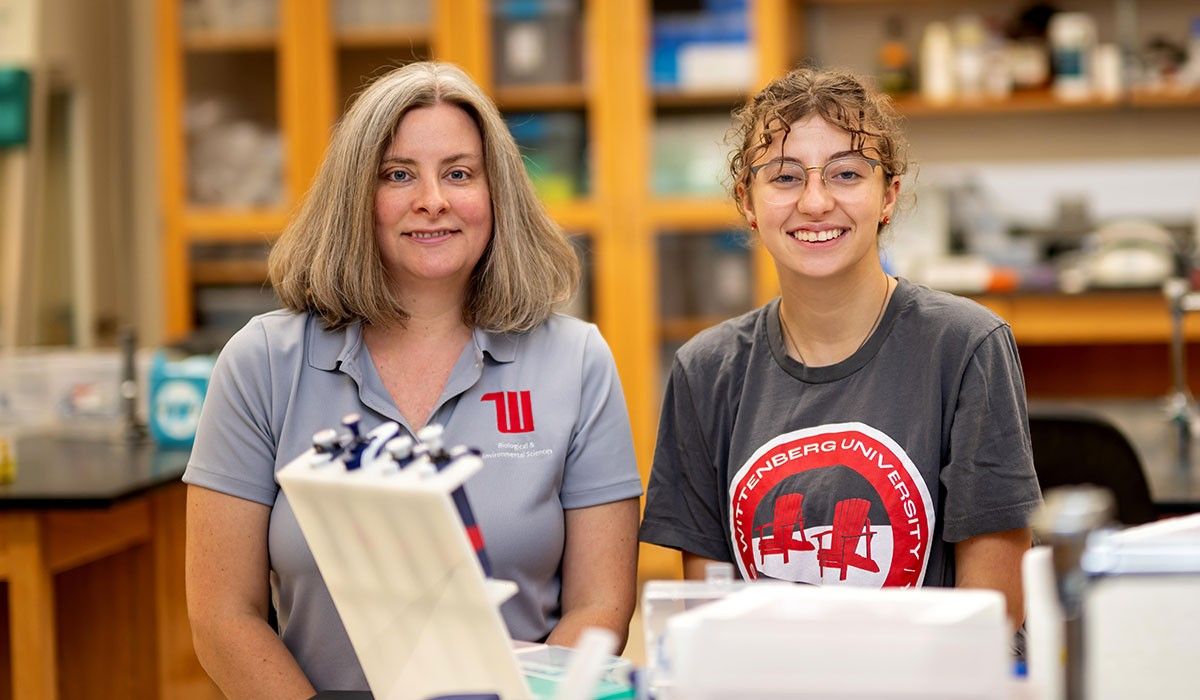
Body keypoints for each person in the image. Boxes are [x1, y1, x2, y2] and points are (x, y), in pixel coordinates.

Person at [184, 61, 642, 696]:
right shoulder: (262, 361)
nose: (433, 200)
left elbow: (599, 609)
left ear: (496, 194)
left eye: (459, 173)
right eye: (399, 175)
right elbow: (221, 617)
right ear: (356, 198)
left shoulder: (576, 361)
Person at [639, 66, 1042, 628]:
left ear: (888, 196)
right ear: (746, 202)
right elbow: (713, 623)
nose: (815, 201)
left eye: (846, 174)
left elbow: (997, 623)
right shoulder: (706, 371)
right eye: (784, 177)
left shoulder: (966, 346)